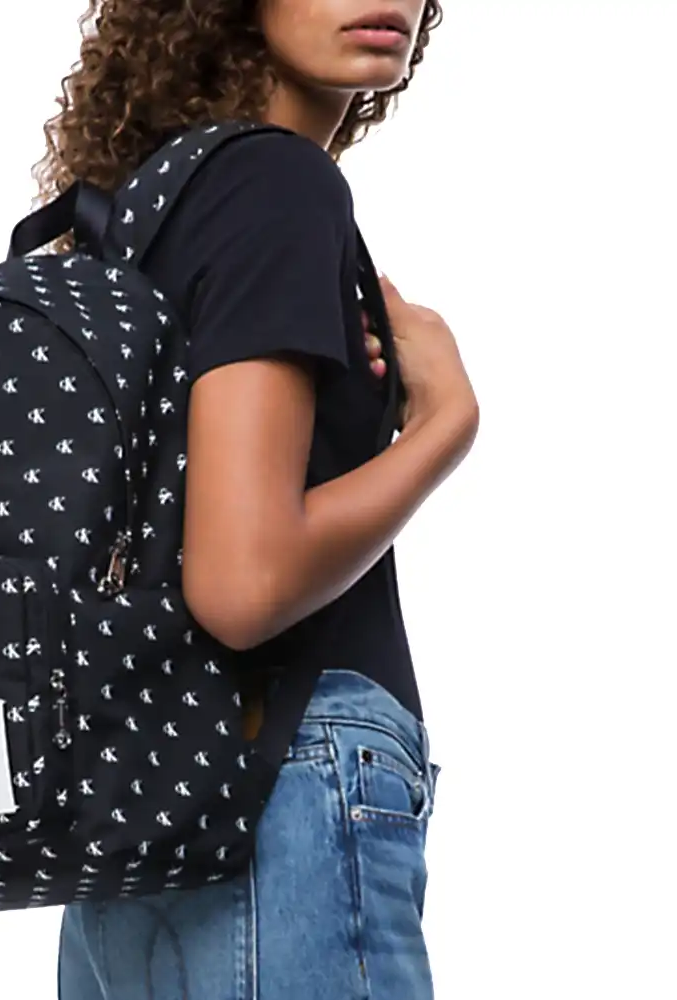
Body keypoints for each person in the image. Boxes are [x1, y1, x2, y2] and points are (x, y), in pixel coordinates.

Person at [37, 2, 478, 997]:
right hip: (281, 784)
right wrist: (444, 425)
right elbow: (242, 583)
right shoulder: (278, 182)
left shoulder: (143, 211)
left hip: (136, 808)